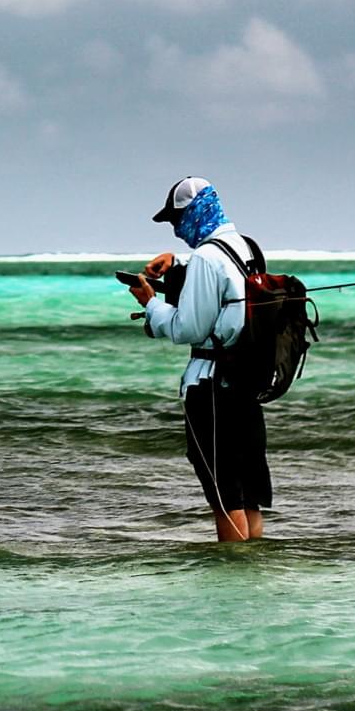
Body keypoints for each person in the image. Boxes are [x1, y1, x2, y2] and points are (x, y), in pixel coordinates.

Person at [128, 176, 271, 543]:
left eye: (177, 220)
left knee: (224, 496)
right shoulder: (246, 246)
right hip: (246, 382)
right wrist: (176, 263)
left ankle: (229, 582)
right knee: (246, 493)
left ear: (194, 213)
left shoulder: (207, 257)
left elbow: (186, 328)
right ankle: (250, 579)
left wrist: (151, 305)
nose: (177, 230)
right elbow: (225, 277)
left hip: (211, 387)